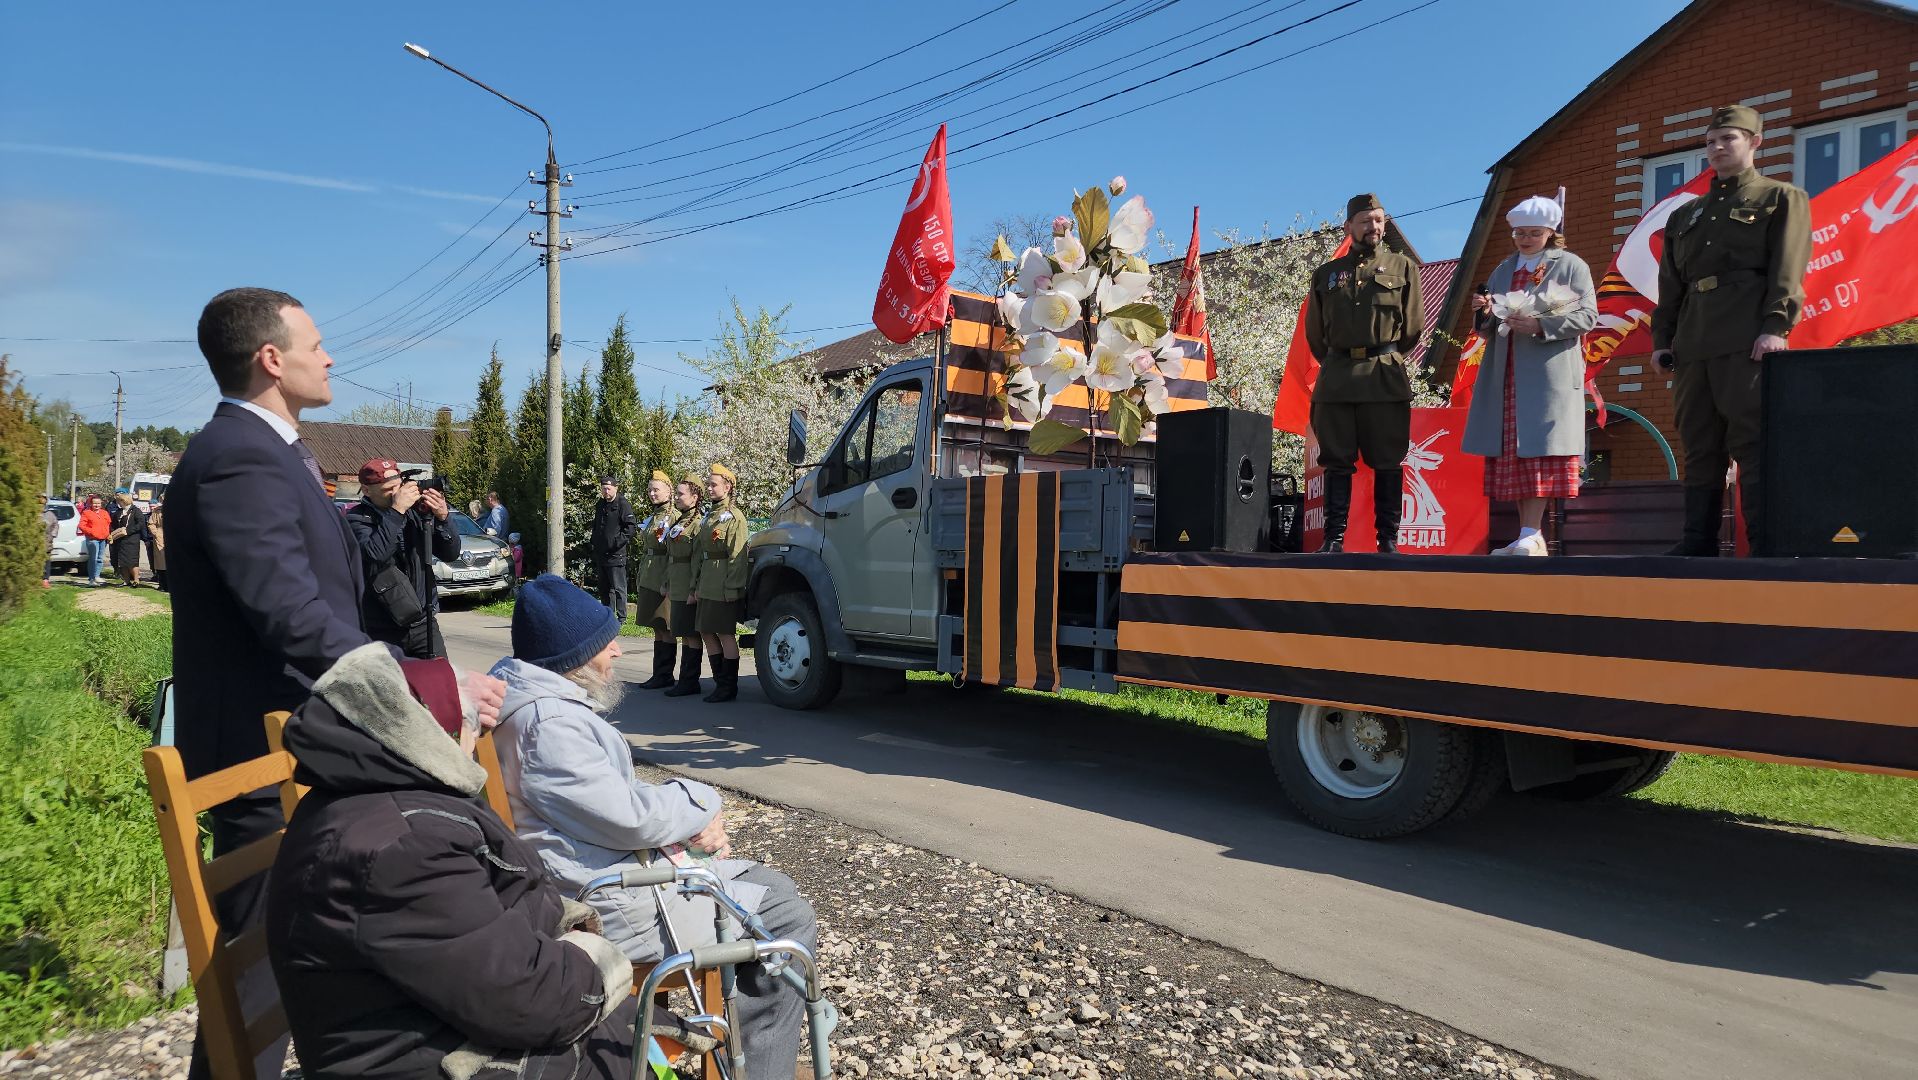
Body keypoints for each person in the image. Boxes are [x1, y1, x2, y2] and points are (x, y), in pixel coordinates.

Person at [168, 286, 506, 1080]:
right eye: (315, 343)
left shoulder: (278, 453)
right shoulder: (238, 458)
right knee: (253, 975)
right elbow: (293, 617)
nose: (331, 357)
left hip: (299, 742)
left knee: (300, 954)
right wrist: (430, 687)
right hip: (261, 754)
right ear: (271, 359)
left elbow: (338, 597)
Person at [491, 575, 818, 1079]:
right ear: (572, 657)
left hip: (596, 877)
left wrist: (687, 823)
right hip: (607, 905)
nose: (618, 651)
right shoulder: (549, 726)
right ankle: (758, 1067)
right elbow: (628, 818)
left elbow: (608, 808)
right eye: (605, 643)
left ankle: (745, 1048)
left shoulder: (535, 710)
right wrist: (701, 804)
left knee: (772, 890)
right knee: (788, 916)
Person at [268, 643, 645, 1080]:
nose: (475, 738)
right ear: (429, 734)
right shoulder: (401, 849)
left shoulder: (377, 796)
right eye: (469, 723)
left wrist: (559, 931)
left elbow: (475, 928)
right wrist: (594, 962)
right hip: (433, 1059)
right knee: (636, 1042)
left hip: (442, 1029)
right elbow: (524, 1000)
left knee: (639, 1030)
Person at [1651, 105, 1812, 556]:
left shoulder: (1780, 198)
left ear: (1755, 142)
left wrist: (1775, 325)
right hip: (1693, 343)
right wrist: (1662, 341)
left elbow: (1787, 268)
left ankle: (1766, 545)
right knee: (1700, 444)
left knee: (1752, 442)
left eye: (1728, 139)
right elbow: (1671, 286)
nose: (1717, 148)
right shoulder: (1685, 217)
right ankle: (1696, 542)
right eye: (1710, 142)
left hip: (1746, 336)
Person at [1464, 194, 1599, 556]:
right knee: (1513, 455)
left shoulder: (1571, 265)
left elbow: (1587, 316)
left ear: (1551, 232)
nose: (1525, 239)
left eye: (1533, 233)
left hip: (1546, 375)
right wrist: (1484, 311)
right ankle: (1528, 534)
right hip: (1505, 372)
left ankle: (1531, 533)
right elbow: (1486, 329)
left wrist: (1540, 324)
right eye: (1520, 233)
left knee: (1537, 453)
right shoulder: (1502, 269)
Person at [1305, 193, 1425, 553]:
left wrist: (1381, 354)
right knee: (1336, 461)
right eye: (1365, 221)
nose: (1373, 227)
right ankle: (1334, 539)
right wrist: (1341, 359)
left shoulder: (1403, 267)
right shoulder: (1326, 275)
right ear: (1348, 227)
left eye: (1378, 220)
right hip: (1337, 378)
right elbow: (1315, 334)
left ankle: (1388, 539)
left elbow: (1413, 328)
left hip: (1383, 377)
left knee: (1388, 460)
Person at [347, 459, 461, 659]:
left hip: (423, 624)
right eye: (389, 489)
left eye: (398, 486)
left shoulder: (415, 513)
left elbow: (450, 554)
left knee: (440, 685)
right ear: (366, 490)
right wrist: (397, 511)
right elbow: (375, 555)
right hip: (381, 629)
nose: (396, 493)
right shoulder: (356, 519)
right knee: (387, 690)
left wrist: (443, 518)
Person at [692, 463, 750, 703]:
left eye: (713, 484)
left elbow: (738, 555)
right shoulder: (710, 516)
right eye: (708, 484)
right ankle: (719, 681)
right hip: (707, 580)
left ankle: (728, 686)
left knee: (725, 633)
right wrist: (696, 584)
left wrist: (732, 587)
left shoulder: (734, 517)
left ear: (728, 487)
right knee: (706, 630)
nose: (709, 488)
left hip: (723, 581)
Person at [632, 470, 679, 690]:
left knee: (665, 625)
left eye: (656, 489)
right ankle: (658, 673)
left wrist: (668, 580)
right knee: (656, 626)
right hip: (650, 574)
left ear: (669, 491)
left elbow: (673, 553)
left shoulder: (674, 517)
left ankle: (666, 674)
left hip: (662, 574)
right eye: (650, 489)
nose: (652, 493)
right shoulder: (654, 517)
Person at [661, 473, 707, 698]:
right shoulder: (679, 521)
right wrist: (667, 582)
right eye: (676, 493)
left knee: (690, 633)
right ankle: (685, 679)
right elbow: (671, 555)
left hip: (687, 583)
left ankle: (689, 680)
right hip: (676, 582)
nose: (677, 497)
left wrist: (693, 589)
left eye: (681, 494)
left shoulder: (698, 523)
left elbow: (697, 559)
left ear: (695, 497)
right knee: (681, 631)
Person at [591, 475, 636, 621]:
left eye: (608, 488)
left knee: (618, 588)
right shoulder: (600, 504)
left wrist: (616, 543)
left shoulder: (623, 503)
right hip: (601, 554)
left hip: (616, 555)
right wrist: (595, 541)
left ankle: (622, 617)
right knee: (604, 588)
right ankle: (607, 616)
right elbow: (596, 525)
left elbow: (630, 528)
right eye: (603, 488)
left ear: (616, 488)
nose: (606, 491)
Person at [109, 489, 148, 586]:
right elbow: (113, 524)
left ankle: (136, 580)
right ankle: (126, 581)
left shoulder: (136, 511)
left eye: (120, 501)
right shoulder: (119, 512)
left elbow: (141, 524)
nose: (118, 503)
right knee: (122, 562)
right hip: (120, 540)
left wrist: (128, 531)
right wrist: (113, 532)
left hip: (132, 540)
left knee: (132, 561)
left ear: (125, 500)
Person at [78, 493, 110, 586]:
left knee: (100, 558)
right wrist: (91, 532)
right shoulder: (86, 513)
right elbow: (81, 525)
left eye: (98, 503)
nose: (97, 505)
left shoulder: (104, 513)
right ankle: (91, 579)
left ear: (101, 504)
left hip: (103, 539)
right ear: (91, 504)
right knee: (93, 559)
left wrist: (108, 534)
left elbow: (108, 524)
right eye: (95, 503)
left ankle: (97, 576)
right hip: (92, 539)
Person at [146, 496, 167, 591]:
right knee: (161, 562)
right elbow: (151, 523)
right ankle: (162, 584)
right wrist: (156, 533)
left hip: (175, 537)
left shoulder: (178, 509)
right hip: (160, 537)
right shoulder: (157, 511)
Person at [40, 494, 57, 588]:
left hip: (47, 542)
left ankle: (45, 579)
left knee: (47, 561)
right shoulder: (32, 513)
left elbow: (55, 525)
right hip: (35, 542)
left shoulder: (50, 514)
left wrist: (53, 534)